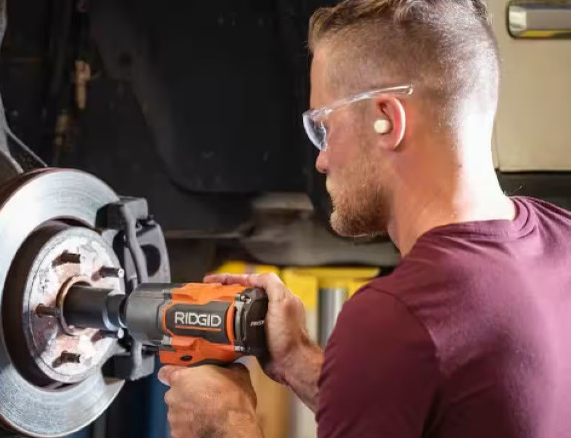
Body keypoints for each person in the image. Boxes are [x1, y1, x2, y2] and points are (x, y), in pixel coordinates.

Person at [158, 0, 571, 437]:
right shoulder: (561, 240)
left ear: (386, 120)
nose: (321, 159)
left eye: (324, 126)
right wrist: (297, 358)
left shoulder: (396, 319)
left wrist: (222, 422)